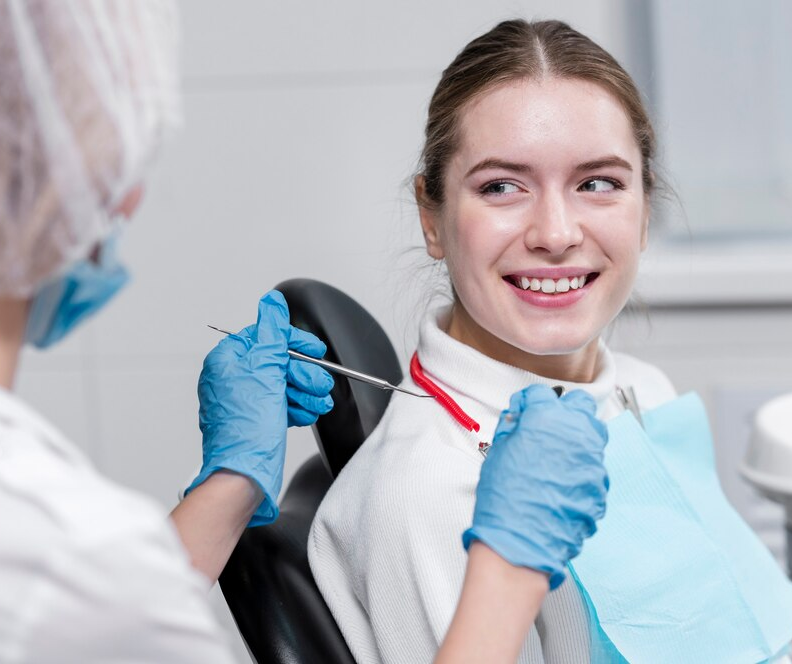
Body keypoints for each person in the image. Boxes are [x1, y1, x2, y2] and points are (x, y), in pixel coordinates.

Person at [308, 18, 792, 664]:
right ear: (432, 218)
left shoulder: (639, 387)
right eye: (501, 187)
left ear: (645, 209)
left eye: (598, 183)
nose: (556, 233)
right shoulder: (427, 492)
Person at [0, 2, 334, 661]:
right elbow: (99, 605)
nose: (130, 200)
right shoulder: (68, 553)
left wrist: (236, 475)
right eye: (114, 167)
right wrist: (504, 567)